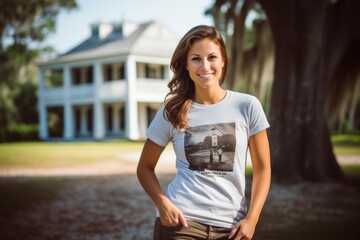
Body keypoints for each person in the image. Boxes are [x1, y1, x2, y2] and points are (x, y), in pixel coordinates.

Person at [137, 25, 271, 240]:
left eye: (212, 57)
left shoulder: (247, 106)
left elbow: (263, 169)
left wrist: (252, 219)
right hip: (181, 224)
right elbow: (144, 167)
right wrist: (162, 203)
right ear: (187, 65)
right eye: (196, 58)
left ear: (223, 60)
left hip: (231, 227)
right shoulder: (172, 111)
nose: (205, 65)